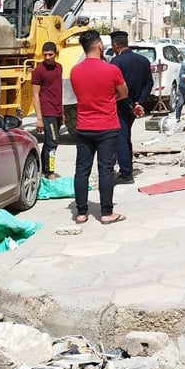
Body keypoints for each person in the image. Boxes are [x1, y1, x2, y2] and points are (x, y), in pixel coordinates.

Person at [70, 30, 128, 224]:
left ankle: (80, 212)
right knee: (105, 169)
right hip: (107, 126)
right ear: (100, 46)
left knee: (81, 170)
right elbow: (124, 93)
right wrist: (110, 98)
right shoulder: (111, 70)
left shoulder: (75, 71)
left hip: (84, 126)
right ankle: (106, 212)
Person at [108, 31, 151, 184]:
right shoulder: (143, 60)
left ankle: (126, 174)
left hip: (121, 106)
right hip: (134, 107)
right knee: (125, 138)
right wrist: (139, 102)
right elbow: (148, 83)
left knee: (120, 139)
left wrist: (132, 104)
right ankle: (127, 168)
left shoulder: (115, 63)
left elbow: (116, 89)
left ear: (115, 45)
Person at [31, 41, 64, 178]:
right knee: (53, 142)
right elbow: (35, 95)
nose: (47, 57)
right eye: (45, 55)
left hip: (57, 110)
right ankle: (50, 172)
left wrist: (62, 111)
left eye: (50, 54)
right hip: (47, 111)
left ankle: (44, 170)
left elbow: (58, 90)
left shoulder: (59, 68)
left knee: (50, 142)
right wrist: (39, 118)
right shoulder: (38, 71)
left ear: (55, 54)